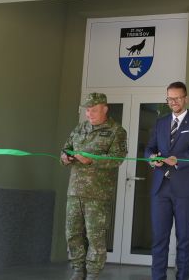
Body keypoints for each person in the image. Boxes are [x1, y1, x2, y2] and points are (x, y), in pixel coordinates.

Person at [61, 92, 127, 280]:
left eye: (94, 110)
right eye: (87, 110)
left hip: (97, 194)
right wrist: (65, 157)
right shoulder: (80, 128)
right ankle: (77, 269)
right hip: (75, 191)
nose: (89, 114)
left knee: (95, 236)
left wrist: (91, 160)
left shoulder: (116, 131)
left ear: (105, 109)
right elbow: (66, 148)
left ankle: (92, 273)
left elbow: (117, 159)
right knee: (72, 233)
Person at [145, 82, 189, 280]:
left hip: (185, 189)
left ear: (186, 98)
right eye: (169, 98)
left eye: (177, 98)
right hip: (160, 188)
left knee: (184, 239)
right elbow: (150, 148)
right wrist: (151, 158)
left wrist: (177, 160)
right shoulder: (160, 122)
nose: (173, 102)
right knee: (159, 239)